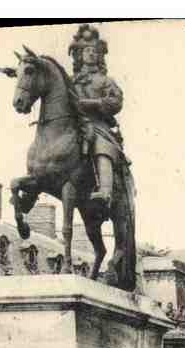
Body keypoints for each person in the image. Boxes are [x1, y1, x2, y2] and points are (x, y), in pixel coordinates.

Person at [68, 24, 125, 211]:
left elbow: (116, 102)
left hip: (98, 125)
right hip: (74, 125)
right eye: (87, 50)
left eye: (94, 51)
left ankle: (105, 191)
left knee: (101, 145)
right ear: (80, 54)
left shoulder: (106, 81)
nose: (91, 53)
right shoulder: (70, 81)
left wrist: (91, 103)